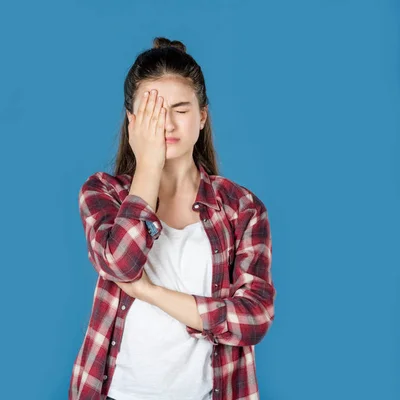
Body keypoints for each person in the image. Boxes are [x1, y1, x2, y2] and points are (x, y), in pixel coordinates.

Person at [69, 37, 276, 400]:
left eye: (180, 109)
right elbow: (120, 263)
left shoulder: (242, 208)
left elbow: (254, 317)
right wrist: (149, 166)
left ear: (202, 116)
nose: (166, 124)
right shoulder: (103, 193)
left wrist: (150, 292)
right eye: (152, 111)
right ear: (133, 122)